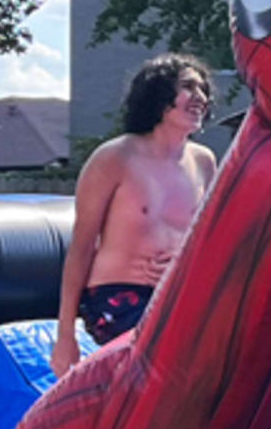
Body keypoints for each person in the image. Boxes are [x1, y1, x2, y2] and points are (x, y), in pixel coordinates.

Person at [58, 57, 216, 373]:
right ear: (158, 95)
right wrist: (65, 337)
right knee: (160, 367)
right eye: (188, 86)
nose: (200, 96)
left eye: (203, 88)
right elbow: (82, 247)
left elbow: (207, 241)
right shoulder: (115, 157)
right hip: (119, 295)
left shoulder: (204, 162)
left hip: (175, 293)